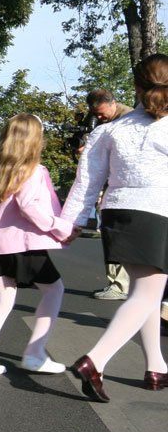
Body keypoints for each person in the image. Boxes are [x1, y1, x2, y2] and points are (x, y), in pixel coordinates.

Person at [62, 53, 168, 403]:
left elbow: (87, 182)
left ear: (136, 87)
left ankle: (156, 368)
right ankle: (95, 360)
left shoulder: (109, 130)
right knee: (146, 295)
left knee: (145, 292)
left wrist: (72, 222)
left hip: (118, 214)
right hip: (156, 213)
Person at [0, 114, 73, 375]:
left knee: (3, 302)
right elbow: (30, 207)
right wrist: (61, 228)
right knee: (54, 291)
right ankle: (35, 353)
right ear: (35, 139)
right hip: (24, 245)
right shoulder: (33, 171)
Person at [83, 89, 134, 301]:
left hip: (125, 186)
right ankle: (118, 283)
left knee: (118, 235)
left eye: (102, 113)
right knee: (110, 234)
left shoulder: (129, 119)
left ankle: (121, 285)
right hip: (110, 184)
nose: (99, 117)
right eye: (96, 114)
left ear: (113, 103)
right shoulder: (96, 117)